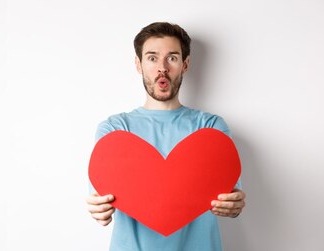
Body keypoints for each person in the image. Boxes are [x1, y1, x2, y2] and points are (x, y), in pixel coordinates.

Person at [86, 22, 246, 251]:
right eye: (152, 58)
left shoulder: (210, 128)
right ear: (138, 65)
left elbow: (229, 197)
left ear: (185, 64)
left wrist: (234, 206)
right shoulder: (114, 130)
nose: (162, 68)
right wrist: (98, 209)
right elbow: (100, 200)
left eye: (172, 58)